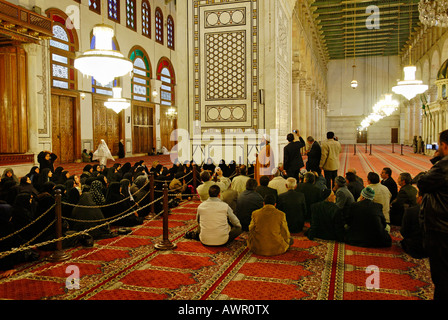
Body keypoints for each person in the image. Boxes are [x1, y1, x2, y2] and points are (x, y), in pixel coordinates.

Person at [417, 129, 448, 300]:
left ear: (443, 145)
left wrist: (437, 159)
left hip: (441, 228)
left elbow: (423, 182)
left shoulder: (443, 167)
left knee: (441, 275)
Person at [400, 191, 428, 259]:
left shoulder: (411, 211)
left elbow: (404, 232)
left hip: (415, 248)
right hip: (433, 248)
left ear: (420, 198)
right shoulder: (439, 211)